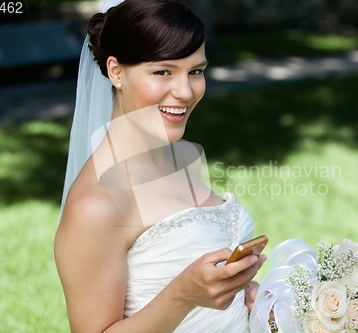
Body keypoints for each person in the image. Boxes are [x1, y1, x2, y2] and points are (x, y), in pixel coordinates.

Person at [54, 0, 266, 332]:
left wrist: (242, 292)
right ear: (116, 72)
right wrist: (183, 296)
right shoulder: (95, 205)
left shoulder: (182, 155)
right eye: (163, 71)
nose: (184, 92)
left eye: (195, 71)